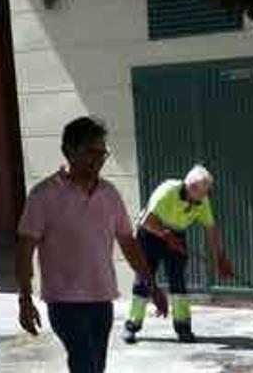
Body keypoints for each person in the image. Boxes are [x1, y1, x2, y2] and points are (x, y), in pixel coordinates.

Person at [16, 117, 167, 373]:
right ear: (69, 151)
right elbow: (24, 250)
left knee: (97, 365)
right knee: (85, 363)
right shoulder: (43, 195)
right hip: (65, 302)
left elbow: (128, 243)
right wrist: (25, 299)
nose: (98, 159)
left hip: (101, 298)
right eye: (91, 152)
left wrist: (152, 285)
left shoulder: (109, 194)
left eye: (102, 152)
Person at [120, 165, 234, 344]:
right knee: (143, 279)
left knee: (178, 280)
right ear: (191, 188)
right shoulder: (167, 191)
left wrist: (220, 257)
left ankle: (183, 327)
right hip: (150, 233)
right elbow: (147, 220)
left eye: (206, 194)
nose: (204, 198)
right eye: (202, 194)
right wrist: (165, 235)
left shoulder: (201, 200)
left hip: (176, 234)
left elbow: (211, 229)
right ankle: (131, 325)